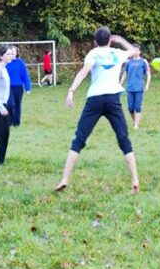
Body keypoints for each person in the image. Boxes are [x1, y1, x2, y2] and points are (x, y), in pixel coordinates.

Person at [55, 27, 140, 194]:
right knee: (124, 139)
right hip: (112, 100)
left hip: (94, 99)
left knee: (79, 139)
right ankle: (135, 180)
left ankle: (64, 179)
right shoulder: (117, 53)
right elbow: (134, 51)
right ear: (109, 40)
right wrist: (120, 40)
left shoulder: (93, 54)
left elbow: (83, 72)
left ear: (95, 41)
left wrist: (71, 91)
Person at [120, 45, 151, 129]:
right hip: (130, 87)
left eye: (137, 50)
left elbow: (148, 74)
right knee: (130, 108)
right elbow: (125, 74)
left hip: (139, 88)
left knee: (137, 107)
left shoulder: (143, 61)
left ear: (140, 52)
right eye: (134, 50)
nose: (135, 52)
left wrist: (147, 85)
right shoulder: (128, 62)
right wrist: (120, 84)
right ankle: (135, 121)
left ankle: (136, 125)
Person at [6, 48, 31, 127]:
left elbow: (25, 75)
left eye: (14, 51)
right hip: (8, 87)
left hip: (18, 87)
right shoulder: (6, 63)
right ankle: (9, 121)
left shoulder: (20, 62)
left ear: (17, 53)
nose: (13, 53)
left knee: (17, 104)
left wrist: (27, 88)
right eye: (11, 52)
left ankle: (16, 122)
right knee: (10, 104)